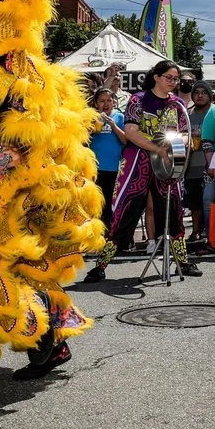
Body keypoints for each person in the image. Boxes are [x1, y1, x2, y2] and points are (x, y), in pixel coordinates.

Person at [113, 60, 200, 274]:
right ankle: (102, 264)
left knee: (174, 209)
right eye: (169, 77)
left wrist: (178, 145)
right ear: (156, 77)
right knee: (124, 207)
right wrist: (157, 148)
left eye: (176, 79)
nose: (173, 82)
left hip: (167, 164)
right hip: (139, 160)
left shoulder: (177, 103)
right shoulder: (138, 99)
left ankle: (183, 261)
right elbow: (131, 132)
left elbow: (185, 134)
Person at [83, 72, 123, 283]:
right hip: (94, 169)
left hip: (114, 169)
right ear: (96, 103)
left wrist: (113, 125)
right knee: (94, 207)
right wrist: (93, 126)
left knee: (110, 206)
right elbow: (82, 139)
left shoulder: (119, 116)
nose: (106, 104)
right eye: (102, 101)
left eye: (109, 100)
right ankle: (95, 241)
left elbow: (126, 141)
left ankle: (109, 241)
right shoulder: (91, 117)